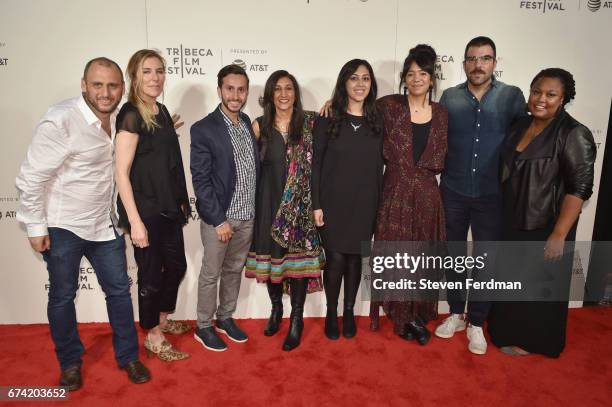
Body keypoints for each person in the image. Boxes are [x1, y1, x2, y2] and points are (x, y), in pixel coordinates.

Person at [15, 57, 150, 390]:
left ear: (122, 87)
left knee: (119, 292)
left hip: (104, 225)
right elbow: (31, 178)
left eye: (113, 85)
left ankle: (128, 357)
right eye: (97, 84)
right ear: (83, 84)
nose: (105, 93)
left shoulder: (123, 118)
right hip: (64, 226)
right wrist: (35, 226)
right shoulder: (61, 121)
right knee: (62, 295)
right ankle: (70, 363)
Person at [487, 68, 596, 357]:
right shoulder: (521, 124)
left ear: (564, 99)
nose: (541, 99)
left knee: (537, 287)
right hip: (513, 218)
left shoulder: (574, 133)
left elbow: (580, 187)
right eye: (537, 92)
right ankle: (505, 331)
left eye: (551, 94)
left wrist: (560, 233)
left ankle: (534, 341)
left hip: (545, 224)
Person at [434, 36, 526, 355]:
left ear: (494, 63)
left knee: (486, 261)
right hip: (453, 191)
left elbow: (529, 137)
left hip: (492, 196)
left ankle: (476, 323)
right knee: (455, 258)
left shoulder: (512, 97)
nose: (478, 65)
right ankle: (457, 314)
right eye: (472, 59)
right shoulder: (449, 98)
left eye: (485, 58)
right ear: (464, 64)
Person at [115, 49, 191, 362]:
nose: (155, 77)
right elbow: (121, 172)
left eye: (159, 71)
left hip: (168, 206)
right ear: (134, 76)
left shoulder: (158, 110)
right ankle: (153, 334)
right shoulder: (130, 113)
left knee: (177, 266)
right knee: (150, 275)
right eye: (147, 71)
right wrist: (134, 222)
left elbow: (155, 153)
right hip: (145, 211)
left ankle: (161, 318)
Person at [369, 45, 448, 345]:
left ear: (432, 78)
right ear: (404, 77)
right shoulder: (389, 106)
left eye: (423, 73)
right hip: (395, 191)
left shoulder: (442, 114)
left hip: (428, 195)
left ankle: (415, 313)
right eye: (411, 73)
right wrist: (329, 103)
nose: (416, 78)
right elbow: (357, 107)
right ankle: (402, 317)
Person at [245, 70, 323, 351]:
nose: (283, 94)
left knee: (298, 264)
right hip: (268, 202)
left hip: (301, 206)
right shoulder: (258, 126)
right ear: (269, 94)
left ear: (296, 93)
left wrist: (331, 106)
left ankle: (297, 319)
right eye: (277, 89)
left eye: (289, 88)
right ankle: (276, 308)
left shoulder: (311, 123)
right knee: (273, 261)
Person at [312, 59, 384, 340]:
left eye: (366, 79)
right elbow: (316, 163)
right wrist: (316, 204)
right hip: (332, 202)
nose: (360, 84)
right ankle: (332, 312)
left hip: (366, 201)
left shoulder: (380, 119)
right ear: (344, 82)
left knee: (355, 259)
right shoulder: (328, 118)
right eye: (353, 78)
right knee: (336, 259)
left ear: (372, 84)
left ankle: (350, 311)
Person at [191, 64, 259, 352]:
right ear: (219, 90)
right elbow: (200, 179)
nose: (235, 94)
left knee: (234, 270)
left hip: (247, 216)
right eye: (229, 88)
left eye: (241, 89)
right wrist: (218, 220)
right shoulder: (203, 129)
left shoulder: (246, 122)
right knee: (211, 273)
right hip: (221, 218)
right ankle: (203, 326)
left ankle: (225, 317)